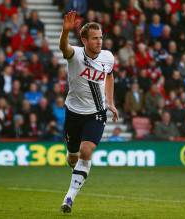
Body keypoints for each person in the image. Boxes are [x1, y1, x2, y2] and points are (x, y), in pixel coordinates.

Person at [59, 11, 118, 213]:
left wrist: (110, 102)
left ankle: (69, 198)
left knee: (86, 151)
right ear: (84, 40)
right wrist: (65, 32)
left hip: (96, 113)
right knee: (73, 158)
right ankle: (74, 161)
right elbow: (63, 48)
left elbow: (109, 76)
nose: (99, 41)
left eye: (101, 37)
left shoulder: (108, 57)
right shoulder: (75, 55)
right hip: (73, 113)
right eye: (94, 38)